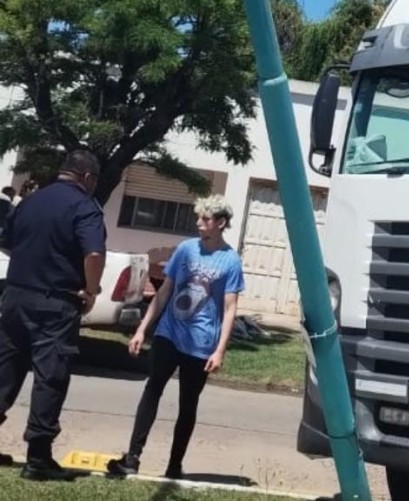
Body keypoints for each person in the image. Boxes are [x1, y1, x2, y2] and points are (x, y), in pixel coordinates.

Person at [107, 194, 244, 479]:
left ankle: (174, 465)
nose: (199, 223)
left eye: (205, 219)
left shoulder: (230, 260)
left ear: (220, 223)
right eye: (199, 218)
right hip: (168, 334)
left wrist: (219, 350)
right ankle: (132, 458)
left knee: (187, 404)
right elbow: (165, 291)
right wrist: (143, 329)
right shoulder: (185, 249)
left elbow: (230, 309)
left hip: (202, 344)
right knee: (152, 390)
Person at [0, 150, 106, 481]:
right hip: (56, 303)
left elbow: (7, 242)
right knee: (51, 376)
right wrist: (90, 290)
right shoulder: (85, 207)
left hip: (15, 297)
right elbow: (93, 253)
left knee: (6, 368)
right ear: (87, 177)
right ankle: (38, 458)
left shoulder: (30, 201)